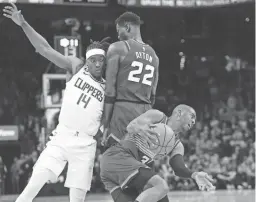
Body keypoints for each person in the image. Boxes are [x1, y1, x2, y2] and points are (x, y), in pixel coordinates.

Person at [3, 3, 110, 202]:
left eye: (100, 61)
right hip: (62, 135)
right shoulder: (76, 67)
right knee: (34, 183)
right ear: (86, 60)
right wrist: (23, 23)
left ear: (105, 62)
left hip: (86, 143)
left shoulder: (108, 87)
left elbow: (105, 117)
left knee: (77, 199)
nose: (97, 64)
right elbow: (43, 48)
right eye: (93, 60)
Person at [100, 105, 215, 202]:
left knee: (161, 198)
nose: (194, 121)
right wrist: (142, 128)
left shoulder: (177, 145)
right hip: (118, 156)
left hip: (122, 171)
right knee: (161, 187)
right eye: (192, 116)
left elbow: (178, 167)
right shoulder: (158, 117)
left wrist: (194, 174)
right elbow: (131, 126)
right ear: (179, 113)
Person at [102, 12, 159, 147]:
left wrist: (106, 124)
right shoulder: (155, 57)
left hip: (123, 110)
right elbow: (153, 95)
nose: (117, 36)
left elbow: (110, 91)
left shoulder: (118, 48)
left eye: (118, 31)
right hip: (145, 112)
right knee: (138, 161)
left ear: (127, 27)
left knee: (116, 161)